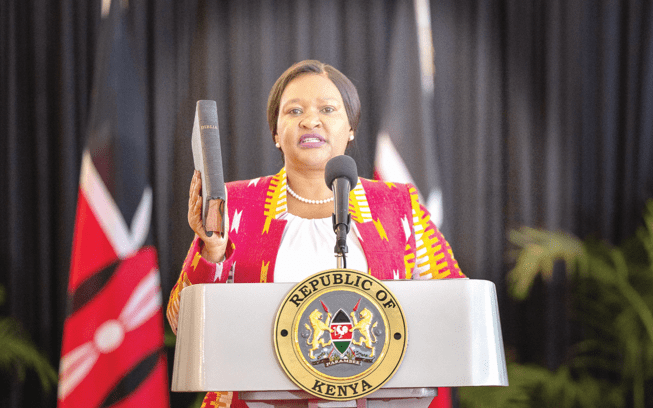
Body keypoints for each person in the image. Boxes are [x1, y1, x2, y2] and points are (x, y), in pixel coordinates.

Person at [167, 60, 465, 408]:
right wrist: (213, 249)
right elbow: (183, 324)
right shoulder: (235, 204)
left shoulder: (397, 204)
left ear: (350, 127)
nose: (310, 120)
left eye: (327, 109)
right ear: (276, 132)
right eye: (294, 110)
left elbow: (452, 307)